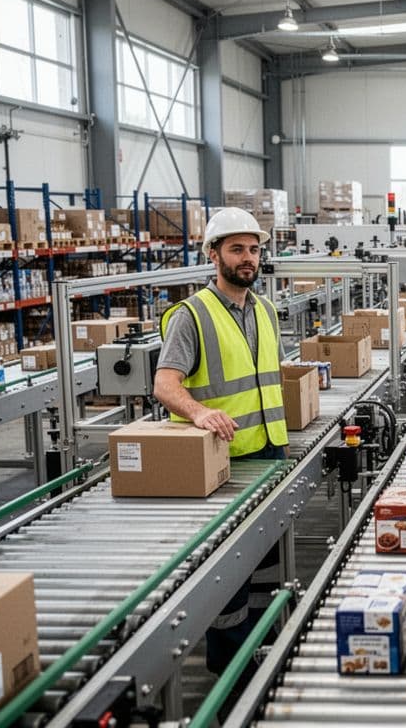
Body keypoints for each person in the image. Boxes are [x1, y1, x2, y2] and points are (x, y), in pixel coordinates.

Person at [154, 206, 289, 673]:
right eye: (237, 249)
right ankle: (232, 668)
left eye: (253, 249)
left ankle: (266, 640)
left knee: (267, 559)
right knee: (229, 568)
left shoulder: (266, 309)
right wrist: (198, 411)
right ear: (214, 255)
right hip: (224, 462)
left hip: (270, 451)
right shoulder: (191, 315)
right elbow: (165, 384)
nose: (248, 258)